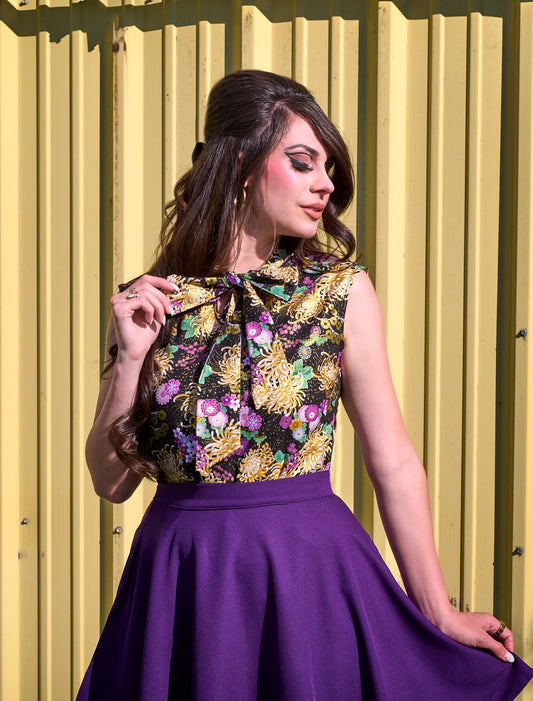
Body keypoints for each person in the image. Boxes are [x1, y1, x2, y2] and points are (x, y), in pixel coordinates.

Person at [77, 70, 533, 700]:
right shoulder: (153, 301)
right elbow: (110, 481)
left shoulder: (339, 293)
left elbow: (393, 461)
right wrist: (129, 359)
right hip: (182, 583)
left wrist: (437, 609)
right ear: (239, 163)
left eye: (328, 169)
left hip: (307, 576)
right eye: (302, 162)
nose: (326, 185)